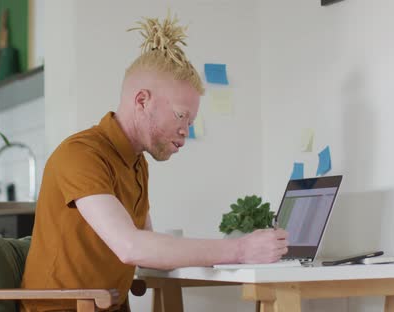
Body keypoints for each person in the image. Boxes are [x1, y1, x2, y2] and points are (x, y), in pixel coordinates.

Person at [20, 14, 288, 312]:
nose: (186, 129)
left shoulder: (136, 163)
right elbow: (131, 246)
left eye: (190, 120)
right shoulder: (81, 154)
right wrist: (240, 249)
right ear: (142, 101)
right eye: (180, 115)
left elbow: (146, 244)